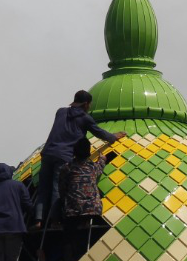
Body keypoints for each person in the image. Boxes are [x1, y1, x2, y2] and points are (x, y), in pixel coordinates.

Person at [34, 90, 127, 225]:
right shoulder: (85, 118)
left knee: (43, 188)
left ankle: (38, 219)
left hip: (48, 153)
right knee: (56, 188)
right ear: (85, 104)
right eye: (89, 104)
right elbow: (98, 132)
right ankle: (55, 220)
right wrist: (113, 137)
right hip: (63, 155)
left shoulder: (60, 112)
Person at [57, 138, 118, 261]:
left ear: (74, 152)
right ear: (88, 152)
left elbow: (61, 189)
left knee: (67, 240)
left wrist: (64, 202)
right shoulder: (92, 167)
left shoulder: (66, 168)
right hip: (93, 209)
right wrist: (102, 158)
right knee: (93, 233)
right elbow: (101, 165)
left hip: (73, 210)